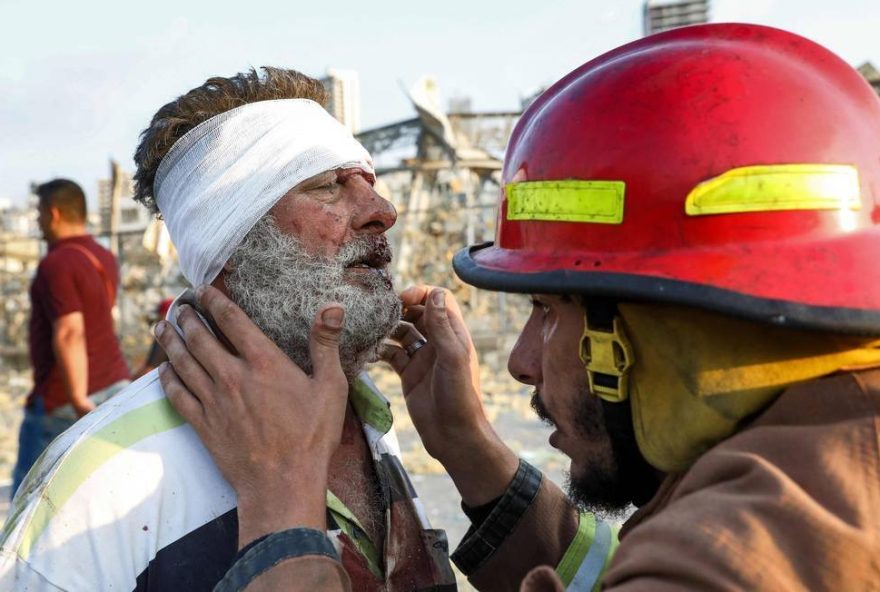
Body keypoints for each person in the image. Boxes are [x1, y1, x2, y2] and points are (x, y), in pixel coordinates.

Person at [155, 24, 880, 590]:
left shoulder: (733, 559)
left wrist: (281, 514)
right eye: (324, 186)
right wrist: (473, 453)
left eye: (547, 309)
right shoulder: (825, 464)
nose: (519, 360)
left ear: (655, 320)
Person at [0, 68, 455, 591]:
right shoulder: (97, 487)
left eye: (369, 183)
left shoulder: (367, 415)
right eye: (327, 186)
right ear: (231, 242)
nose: (383, 212)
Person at [11, 179, 129, 497]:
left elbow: (70, 331)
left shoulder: (57, 263)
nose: (37, 222)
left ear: (54, 213)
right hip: (114, 384)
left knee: (28, 498)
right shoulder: (103, 257)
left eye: (38, 214)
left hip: (64, 400)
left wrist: (77, 398)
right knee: (97, 493)